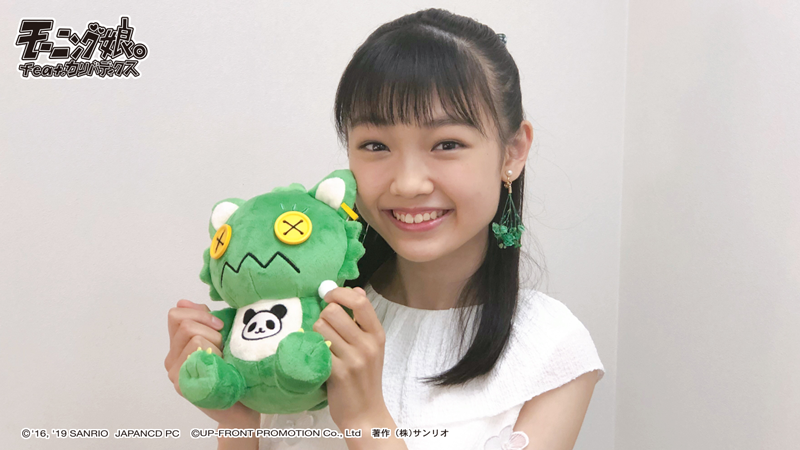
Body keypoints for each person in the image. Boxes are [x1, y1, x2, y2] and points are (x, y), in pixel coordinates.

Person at [165, 8, 605, 450]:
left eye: (447, 144)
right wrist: (237, 423)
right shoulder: (309, 311)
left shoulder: (551, 349)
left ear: (513, 151)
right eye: (375, 145)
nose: (408, 184)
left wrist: (365, 422)